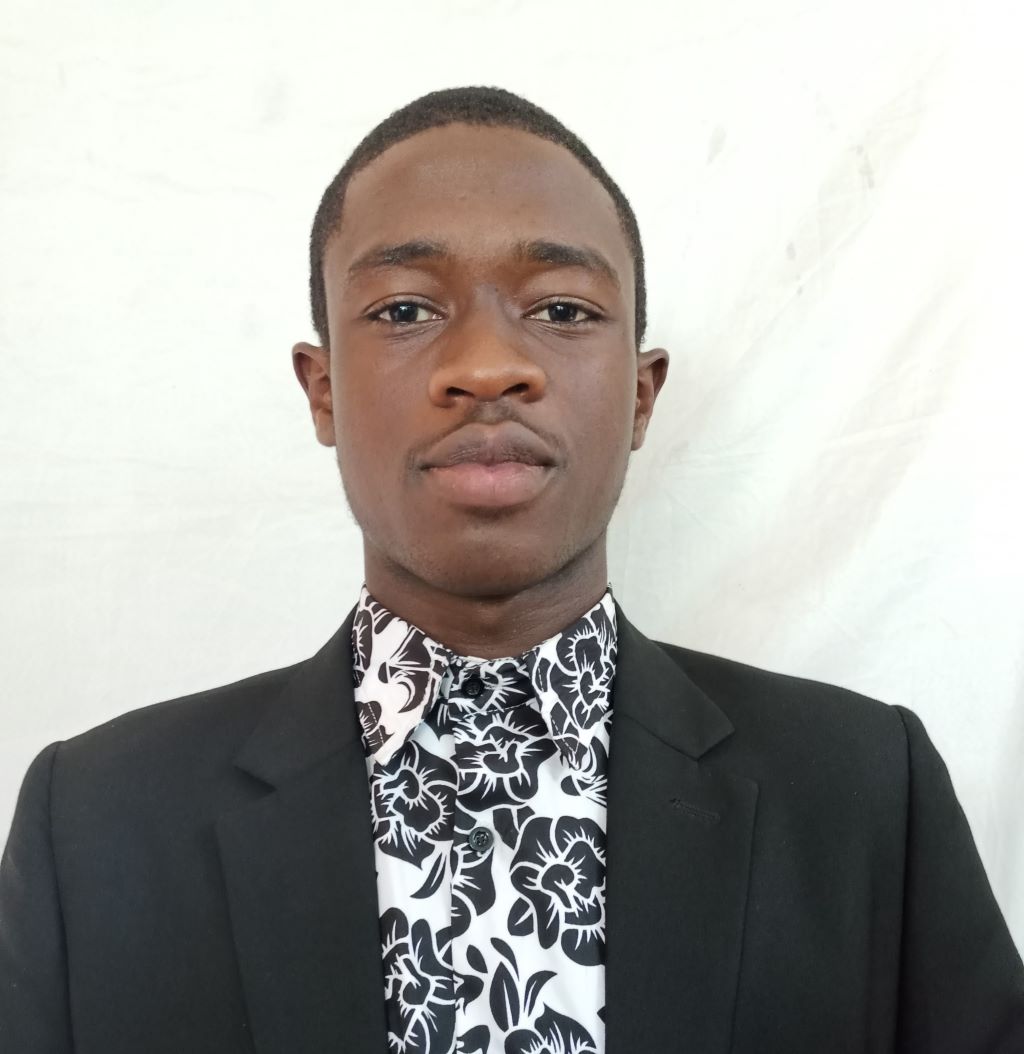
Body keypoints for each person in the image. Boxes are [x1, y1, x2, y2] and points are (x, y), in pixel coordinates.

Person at [1, 86, 1022, 1054]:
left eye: (562, 310)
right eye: (405, 310)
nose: (487, 366)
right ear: (322, 391)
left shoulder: (862, 792)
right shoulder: (96, 825)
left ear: (641, 395)